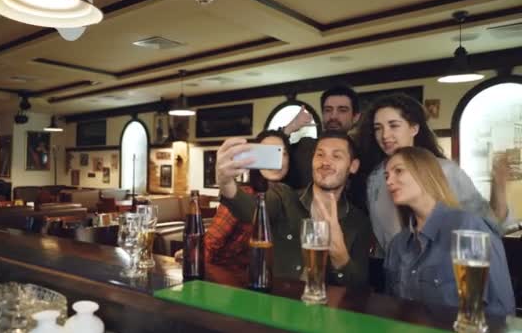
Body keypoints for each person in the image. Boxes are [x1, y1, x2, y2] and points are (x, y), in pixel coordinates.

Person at [357, 93, 512, 254]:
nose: (385, 135)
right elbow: (384, 238)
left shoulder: (445, 171)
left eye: (393, 125)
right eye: (378, 128)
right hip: (398, 273)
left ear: (414, 128)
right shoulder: (375, 179)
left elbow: (487, 224)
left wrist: (499, 185)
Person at [217, 131, 371, 288]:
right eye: (320, 155)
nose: (326, 162)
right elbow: (251, 211)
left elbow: (359, 287)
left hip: (326, 309)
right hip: (277, 305)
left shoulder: (359, 222)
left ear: (353, 166)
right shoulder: (284, 196)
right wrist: (226, 183)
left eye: (336, 156)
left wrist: (339, 254)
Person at [383, 146, 515, 315]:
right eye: (386, 176)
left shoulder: (469, 227)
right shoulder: (397, 245)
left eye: (398, 171)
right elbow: (391, 309)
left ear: (425, 172)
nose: (389, 181)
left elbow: (502, 309)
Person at [203, 130, 292, 269]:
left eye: (283, 153)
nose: (277, 160)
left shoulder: (290, 197)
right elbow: (211, 243)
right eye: (268, 154)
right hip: (227, 276)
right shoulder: (243, 194)